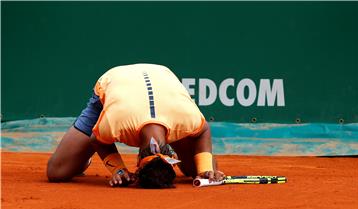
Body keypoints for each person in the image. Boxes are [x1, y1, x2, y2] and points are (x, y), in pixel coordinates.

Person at [47, 63, 225, 188]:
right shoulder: (116, 122)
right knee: (57, 172)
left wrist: (205, 170)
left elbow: (203, 130)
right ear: (139, 160)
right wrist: (117, 169)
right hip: (115, 82)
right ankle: (83, 159)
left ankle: (192, 162)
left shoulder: (185, 118)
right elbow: (97, 139)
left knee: (196, 170)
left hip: (163, 85)